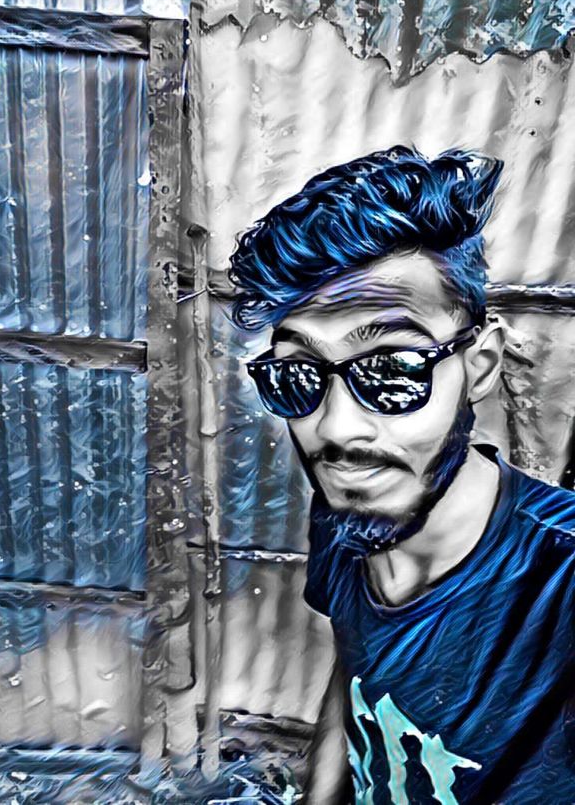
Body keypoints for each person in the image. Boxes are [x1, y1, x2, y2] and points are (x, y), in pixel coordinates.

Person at [228, 146, 575, 804]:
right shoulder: (349, 509)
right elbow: (353, 673)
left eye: (392, 371)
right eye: (297, 375)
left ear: (480, 366)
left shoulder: (558, 582)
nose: (336, 430)